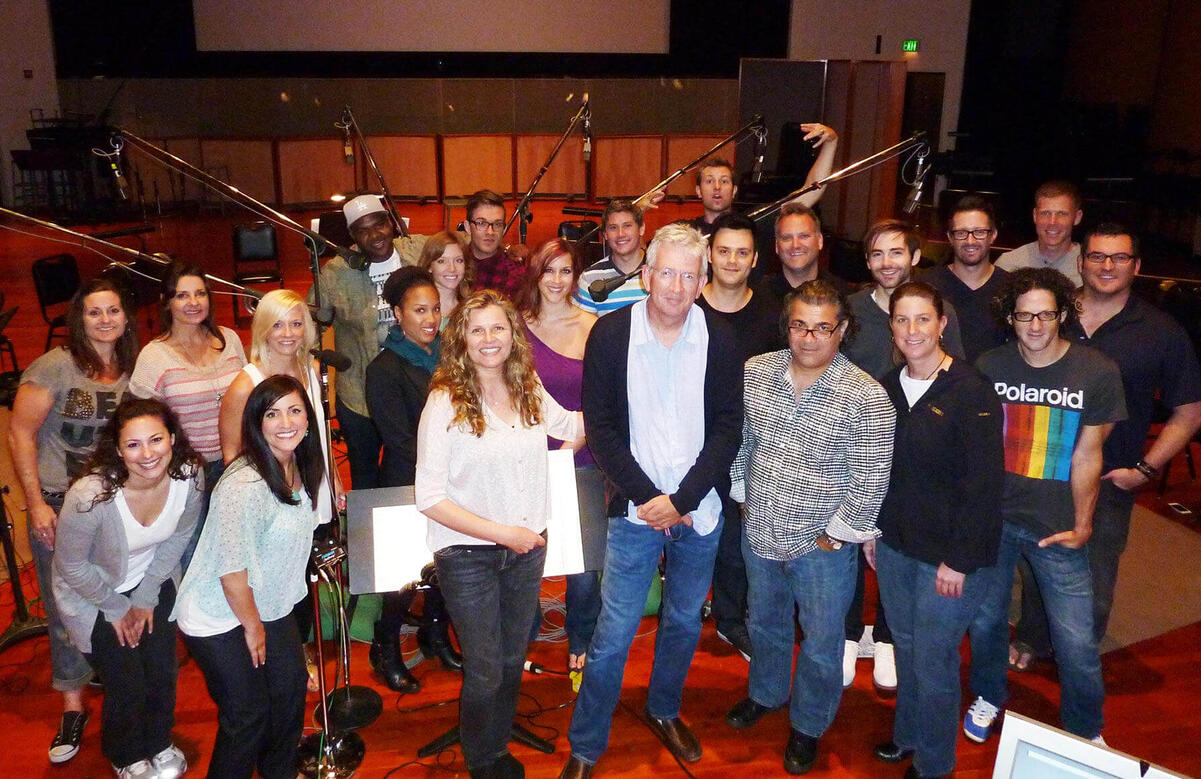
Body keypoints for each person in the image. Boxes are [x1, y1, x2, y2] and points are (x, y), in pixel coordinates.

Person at [559, 223, 743, 778]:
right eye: (667, 271)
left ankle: (663, 709)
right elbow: (604, 427)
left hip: (699, 511)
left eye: (690, 275)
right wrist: (649, 498)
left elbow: (729, 430)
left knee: (685, 621)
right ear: (646, 274)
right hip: (635, 513)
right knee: (613, 634)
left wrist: (683, 498)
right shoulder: (611, 335)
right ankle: (586, 745)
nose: (677, 285)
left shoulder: (722, 340)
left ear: (703, 281)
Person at [1007, 224, 1201, 671]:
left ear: (1136, 266)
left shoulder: (1160, 331)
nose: (1106, 266)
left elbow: (1189, 410)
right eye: (1097, 256)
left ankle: (1076, 665)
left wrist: (1146, 470)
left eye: (1118, 258)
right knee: (1035, 568)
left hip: (1110, 475)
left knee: (1092, 577)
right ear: (1081, 262)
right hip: (1039, 469)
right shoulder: (1047, 313)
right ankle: (1035, 638)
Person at [724, 280, 894, 776]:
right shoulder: (757, 374)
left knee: (821, 642)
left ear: (841, 330)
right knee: (764, 623)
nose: (809, 338)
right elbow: (741, 442)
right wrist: (743, 496)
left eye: (822, 328)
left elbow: (871, 476)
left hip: (821, 545)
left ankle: (809, 725)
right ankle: (767, 694)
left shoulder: (866, 396)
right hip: (759, 529)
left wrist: (837, 534)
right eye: (799, 325)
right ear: (787, 326)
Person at [415, 290, 581, 779]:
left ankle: (495, 741)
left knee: (512, 659)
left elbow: (571, 424)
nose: (489, 339)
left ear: (514, 334)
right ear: (461, 339)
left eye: (498, 328)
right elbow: (429, 497)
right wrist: (504, 533)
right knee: (486, 668)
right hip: (468, 554)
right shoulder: (444, 401)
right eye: (477, 329)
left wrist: (575, 445)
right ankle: (483, 760)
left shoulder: (527, 384)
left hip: (524, 548)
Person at [967, 268, 1125, 745]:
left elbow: (1089, 454)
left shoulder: (1096, 372)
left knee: (1076, 640)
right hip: (994, 523)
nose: (1035, 325)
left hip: (1056, 527)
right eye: (1023, 315)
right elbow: (974, 450)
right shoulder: (989, 367)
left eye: (1045, 314)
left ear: (1062, 315)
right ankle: (989, 695)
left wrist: (1083, 524)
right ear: (1009, 318)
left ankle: (1085, 730)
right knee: (986, 621)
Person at [869, 282, 1004, 779]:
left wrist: (960, 560)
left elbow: (984, 484)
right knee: (905, 647)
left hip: (950, 558)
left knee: (934, 657)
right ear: (892, 327)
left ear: (942, 323)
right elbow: (878, 469)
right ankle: (908, 736)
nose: (912, 330)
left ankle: (935, 763)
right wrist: (872, 532)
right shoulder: (886, 386)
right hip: (897, 545)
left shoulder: (971, 389)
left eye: (923, 318)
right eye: (902, 320)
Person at [7, 277, 137, 765]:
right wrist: (37, 503)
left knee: (112, 593)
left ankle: (109, 676)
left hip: (111, 502)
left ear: (126, 317)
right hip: (59, 502)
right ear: (78, 319)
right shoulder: (55, 367)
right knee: (64, 607)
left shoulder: (129, 370)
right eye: (94, 312)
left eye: (113, 311)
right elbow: (20, 434)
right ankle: (72, 704)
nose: (104, 320)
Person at [174, 375, 325, 778]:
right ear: (256, 424)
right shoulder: (244, 484)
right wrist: (254, 626)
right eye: (272, 414)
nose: (286, 422)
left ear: (308, 419)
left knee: (290, 689)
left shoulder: (296, 464)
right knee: (248, 715)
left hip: (267, 602)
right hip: (219, 612)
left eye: (295, 410)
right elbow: (232, 571)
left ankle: (278, 771)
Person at [841, 219, 964, 691]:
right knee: (851, 539)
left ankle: (890, 638)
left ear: (914, 257)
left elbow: (954, 377)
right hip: (856, 448)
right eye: (877, 254)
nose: (886, 262)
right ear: (867, 261)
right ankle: (850, 635)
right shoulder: (851, 308)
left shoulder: (936, 309)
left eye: (896, 252)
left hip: (916, 452)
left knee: (899, 546)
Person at [52, 397, 204, 779]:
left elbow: (179, 536)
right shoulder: (91, 496)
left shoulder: (190, 475)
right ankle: (125, 754)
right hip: (95, 592)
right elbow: (70, 565)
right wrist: (117, 607)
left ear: (172, 437)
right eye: (133, 445)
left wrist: (147, 595)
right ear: (118, 450)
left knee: (161, 672)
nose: (147, 454)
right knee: (128, 683)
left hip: (152, 579)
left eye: (156, 440)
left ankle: (157, 741)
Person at [217, 288, 341, 692]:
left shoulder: (311, 369)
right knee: (278, 579)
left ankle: (299, 648)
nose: (287, 332)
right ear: (261, 329)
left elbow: (318, 435)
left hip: (312, 492)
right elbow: (233, 454)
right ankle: (277, 653)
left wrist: (333, 479)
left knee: (303, 576)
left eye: (296, 322)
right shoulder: (246, 382)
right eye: (277, 324)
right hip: (274, 504)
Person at [364, 267, 461, 694]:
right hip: (407, 480)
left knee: (448, 564)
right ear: (398, 313)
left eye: (435, 309)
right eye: (419, 310)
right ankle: (385, 647)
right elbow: (399, 439)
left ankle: (435, 634)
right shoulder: (385, 367)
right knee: (404, 577)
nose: (430, 319)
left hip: (454, 479)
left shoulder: (451, 358)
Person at [695, 212, 781, 661]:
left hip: (750, 446)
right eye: (723, 250)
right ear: (709, 254)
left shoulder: (771, 316)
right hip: (689, 441)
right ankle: (687, 614)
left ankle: (730, 620)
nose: (731, 260)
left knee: (736, 542)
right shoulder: (688, 306)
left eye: (741, 252)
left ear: (755, 259)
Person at [515, 238, 598, 674]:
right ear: (535, 273)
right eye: (549, 270)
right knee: (523, 556)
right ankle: (521, 637)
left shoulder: (591, 326)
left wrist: (566, 452)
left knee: (581, 563)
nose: (556, 280)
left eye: (566, 271)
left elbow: (599, 402)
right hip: (522, 461)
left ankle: (581, 639)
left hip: (578, 456)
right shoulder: (512, 326)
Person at [308, 193, 429, 490]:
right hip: (360, 397)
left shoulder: (418, 251)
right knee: (365, 479)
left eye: (379, 224)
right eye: (363, 229)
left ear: (391, 223)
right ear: (352, 235)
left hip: (414, 392)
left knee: (413, 470)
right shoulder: (336, 273)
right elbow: (312, 318)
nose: (375, 235)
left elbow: (462, 251)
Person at [130, 261, 247, 566]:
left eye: (200, 294)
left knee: (239, 554)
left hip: (237, 465)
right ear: (166, 303)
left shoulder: (229, 340)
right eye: (182, 296)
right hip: (187, 473)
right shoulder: (154, 356)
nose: (193, 303)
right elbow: (139, 423)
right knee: (196, 559)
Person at [683, 124, 838, 237]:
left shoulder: (756, 220)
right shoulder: (687, 231)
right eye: (709, 181)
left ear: (734, 190)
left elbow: (809, 192)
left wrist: (831, 143)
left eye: (724, 181)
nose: (717, 187)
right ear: (698, 191)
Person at [923, 194, 1010, 363]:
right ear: (950, 237)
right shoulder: (927, 285)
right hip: (940, 384)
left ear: (993, 235)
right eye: (962, 233)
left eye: (979, 232)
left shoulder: (1011, 288)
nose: (970, 240)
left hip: (993, 386)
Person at [996, 180, 1084, 287]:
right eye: (1045, 213)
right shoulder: (1008, 265)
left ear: (1077, 217)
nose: (1052, 222)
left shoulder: (1092, 268)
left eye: (1061, 214)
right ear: (1035, 215)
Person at [759, 203, 848, 307]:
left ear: (820, 241)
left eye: (804, 236)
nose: (795, 245)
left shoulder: (843, 295)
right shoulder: (758, 297)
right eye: (787, 238)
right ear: (776, 246)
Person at [574, 199, 649, 316]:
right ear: (605, 234)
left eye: (627, 226)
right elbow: (583, 330)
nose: (620, 234)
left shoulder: (660, 271)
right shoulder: (589, 278)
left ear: (641, 229)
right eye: (613, 228)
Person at [464, 189, 526, 299]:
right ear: (468, 227)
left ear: (504, 229)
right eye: (481, 223)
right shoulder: (454, 267)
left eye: (497, 224)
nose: (490, 232)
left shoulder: (516, 274)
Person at [417, 230, 472, 329]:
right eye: (442, 261)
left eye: (458, 260)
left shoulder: (472, 309)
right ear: (429, 266)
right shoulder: (417, 309)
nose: (452, 268)